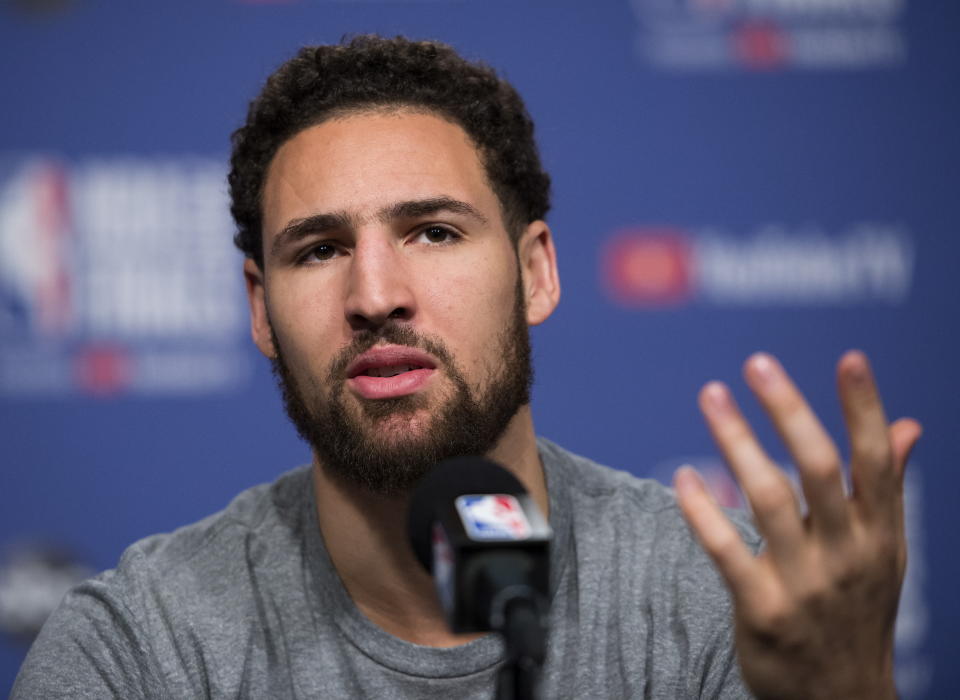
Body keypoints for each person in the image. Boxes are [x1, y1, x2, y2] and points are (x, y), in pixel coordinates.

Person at [13, 35, 920, 699]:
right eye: (320, 250)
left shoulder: (727, 604)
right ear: (260, 309)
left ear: (535, 273)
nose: (376, 294)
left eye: (434, 232)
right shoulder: (139, 650)